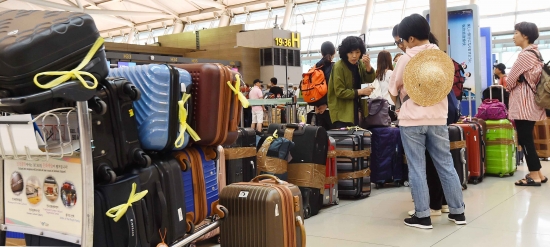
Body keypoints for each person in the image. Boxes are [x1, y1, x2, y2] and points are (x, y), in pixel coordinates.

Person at [389, 14, 466, 229]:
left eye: (403, 40)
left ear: (411, 39)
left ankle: (422, 216)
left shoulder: (406, 59)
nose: (402, 44)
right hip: (438, 118)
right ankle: (458, 212)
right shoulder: (440, 57)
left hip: (412, 120)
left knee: (417, 168)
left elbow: (393, 89)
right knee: (446, 165)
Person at [507, 22, 547, 186]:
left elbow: (509, 82)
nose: (513, 36)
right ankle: (538, 173)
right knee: (527, 138)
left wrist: (514, 81)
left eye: (516, 33)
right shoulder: (536, 53)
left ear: (525, 35)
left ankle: (533, 175)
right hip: (532, 103)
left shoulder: (524, 55)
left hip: (524, 105)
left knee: (525, 139)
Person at [328, 36, 376, 128]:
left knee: (358, 140)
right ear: (345, 53)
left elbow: (370, 79)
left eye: (357, 52)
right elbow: (339, 92)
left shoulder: (360, 64)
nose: (354, 56)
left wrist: (368, 66)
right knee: (346, 141)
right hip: (342, 113)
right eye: (351, 52)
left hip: (358, 110)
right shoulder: (338, 66)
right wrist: (361, 91)